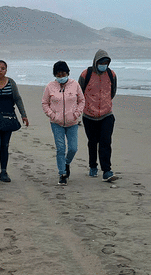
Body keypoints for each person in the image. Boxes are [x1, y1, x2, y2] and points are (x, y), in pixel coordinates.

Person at [42, 61, 85, 186]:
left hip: (72, 122)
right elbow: (45, 103)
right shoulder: (50, 86)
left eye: (63, 74)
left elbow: (81, 100)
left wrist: (76, 114)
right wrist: (52, 115)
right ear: (55, 74)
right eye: (58, 74)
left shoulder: (75, 85)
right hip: (56, 123)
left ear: (68, 73)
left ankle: (66, 163)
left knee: (73, 148)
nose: (61, 76)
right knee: (60, 148)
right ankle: (62, 174)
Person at [78, 49, 118, 182]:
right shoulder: (86, 74)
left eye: (106, 62)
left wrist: (105, 104)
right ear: (96, 62)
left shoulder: (111, 74)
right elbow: (80, 92)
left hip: (107, 115)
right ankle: (92, 166)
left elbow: (112, 92)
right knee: (93, 142)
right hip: (89, 116)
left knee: (106, 142)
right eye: (101, 62)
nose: (104, 65)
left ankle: (107, 171)